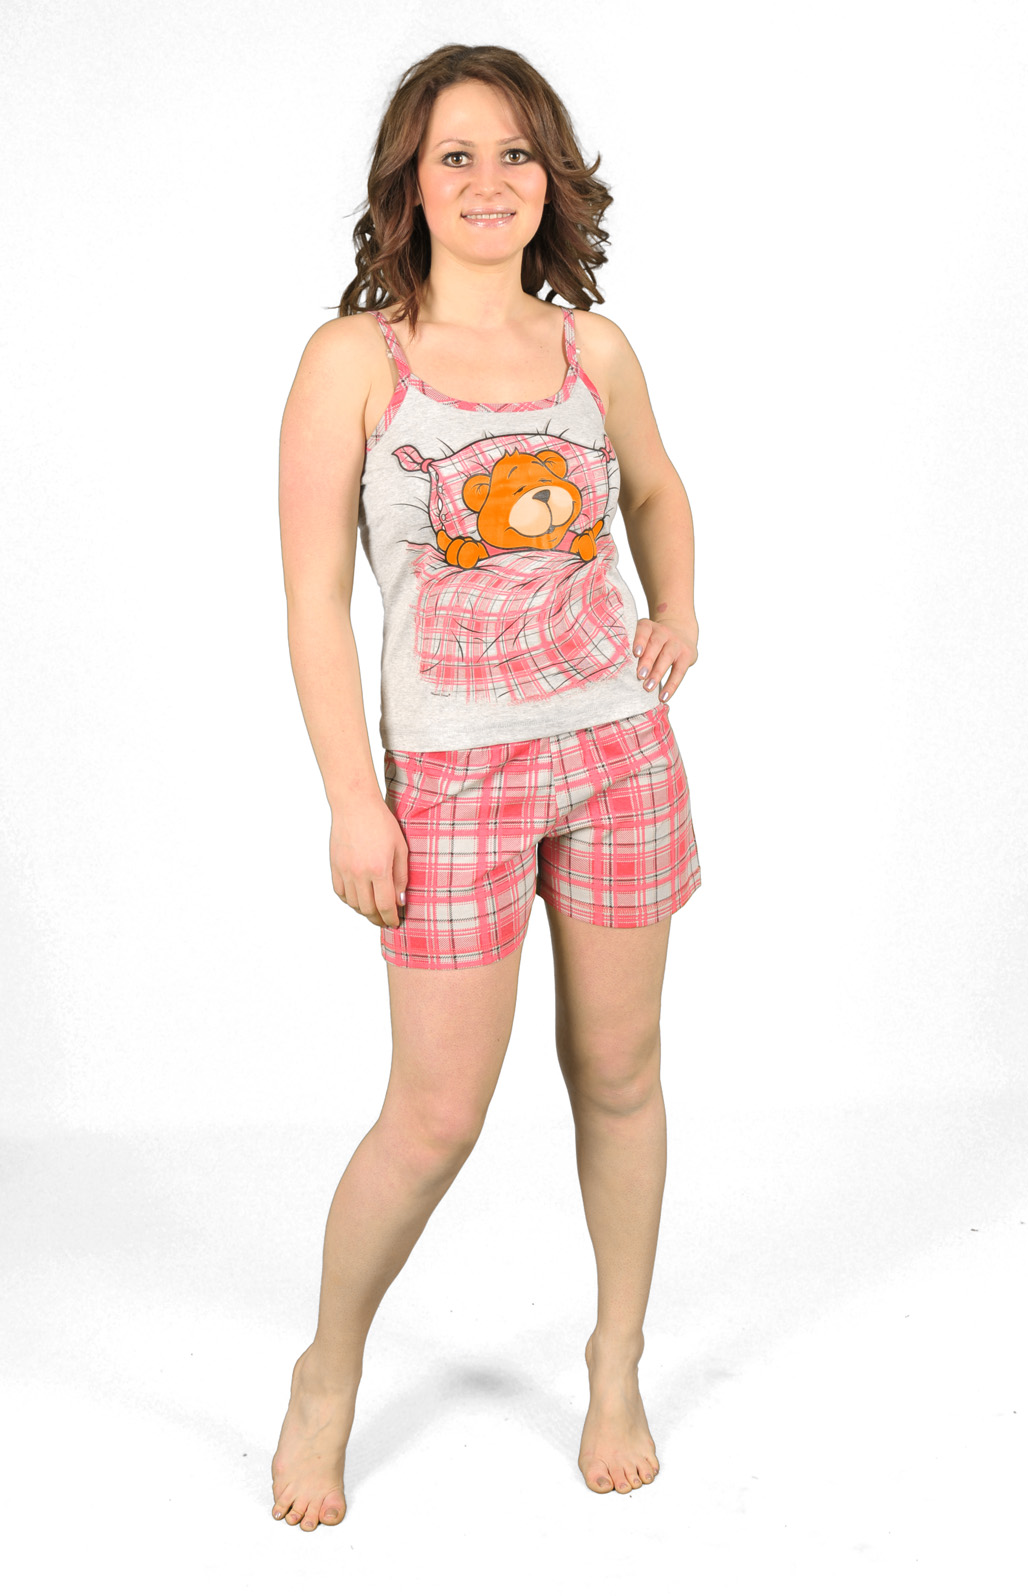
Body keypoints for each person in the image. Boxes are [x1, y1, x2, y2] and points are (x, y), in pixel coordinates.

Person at [271, 42, 702, 1531]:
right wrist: (354, 796)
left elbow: (656, 489)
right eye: (455, 155)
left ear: (551, 178)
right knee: (436, 1113)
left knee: (621, 1073)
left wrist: (678, 610)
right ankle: (328, 1371)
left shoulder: (594, 352)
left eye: (515, 153)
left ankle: (615, 1362)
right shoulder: (353, 362)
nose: (487, 181)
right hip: (451, 781)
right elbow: (315, 599)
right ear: (408, 181)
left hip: (618, 753)